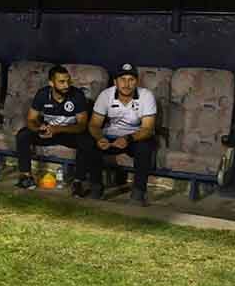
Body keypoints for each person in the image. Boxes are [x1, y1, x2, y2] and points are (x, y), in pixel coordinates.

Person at [77, 64, 158, 206]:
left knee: (145, 146)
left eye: (131, 79)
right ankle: (96, 187)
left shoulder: (146, 95)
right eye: (122, 79)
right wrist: (100, 138)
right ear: (115, 82)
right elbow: (94, 125)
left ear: (136, 82)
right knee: (88, 141)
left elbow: (148, 128)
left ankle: (138, 194)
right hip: (111, 136)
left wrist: (128, 138)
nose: (126, 84)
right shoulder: (106, 95)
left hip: (135, 137)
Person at [14, 65, 90, 192]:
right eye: (62, 82)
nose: (66, 85)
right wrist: (39, 128)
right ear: (51, 83)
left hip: (68, 133)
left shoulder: (77, 95)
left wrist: (58, 129)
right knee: (23, 135)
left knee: (86, 140)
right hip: (48, 132)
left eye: (68, 81)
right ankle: (26, 177)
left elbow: (82, 125)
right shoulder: (42, 94)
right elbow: (31, 119)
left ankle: (78, 182)